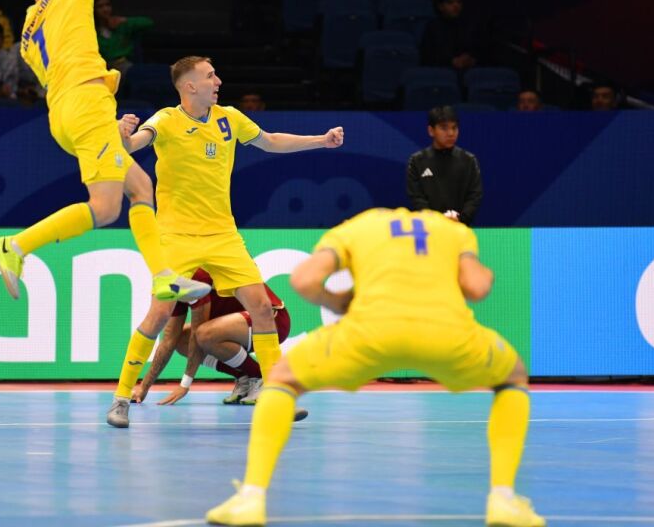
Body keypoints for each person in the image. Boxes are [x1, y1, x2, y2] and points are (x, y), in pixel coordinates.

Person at [206, 207, 545, 527]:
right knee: (513, 375)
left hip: (367, 335)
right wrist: (480, 270)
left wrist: (336, 302)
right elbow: (477, 287)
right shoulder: (451, 231)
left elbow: (304, 280)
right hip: (446, 335)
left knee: (282, 378)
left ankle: (251, 497)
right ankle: (503, 498)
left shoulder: (356, 227)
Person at [105, 55, 344, 428]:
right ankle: (121, 399)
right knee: (159, 314)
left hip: (223, 235)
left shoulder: (229, 118)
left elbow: (270, 141)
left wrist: (321, 141)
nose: (218, 81)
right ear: (190, 86)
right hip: (176, 237)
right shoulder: (166, 120)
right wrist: (121, 133)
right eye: (210, 75)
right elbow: (134, 144)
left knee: (261, 307)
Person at [0, 0, 216, 311]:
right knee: (106, 208)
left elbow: (62, 78)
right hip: (86, 106)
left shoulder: (28, 32)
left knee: (141, 188)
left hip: (64, 114)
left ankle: (163, 276)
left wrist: (104, 124)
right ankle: (15, 245)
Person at [132, 268, 291, 407]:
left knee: (204, 334)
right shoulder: (174, 285)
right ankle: (243, 376)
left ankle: (260, 376)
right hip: (239, 325)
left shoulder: (197, 276)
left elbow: (198, 334)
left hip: (272, 320)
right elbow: (169, 340)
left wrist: (185, 385)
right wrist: (143, 387)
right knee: (181, 340)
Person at [406, 105, 483, 225]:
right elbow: (417, 198)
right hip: (429, 229)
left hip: (460, 227)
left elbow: (474, 196)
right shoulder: (417, 161)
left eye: (454, 128)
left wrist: (460, 218)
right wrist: (435, 220)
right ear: (431, 131)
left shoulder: (469, 160)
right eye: (444, 128)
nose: (451, 133)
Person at [94, 0, 153, 81]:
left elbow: (148, 23)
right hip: (105, 68)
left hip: (127, 65)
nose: (105, 9)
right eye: (100, 7)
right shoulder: (91, 30)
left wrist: (125, 20)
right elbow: (108, 54)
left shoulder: (120, 24)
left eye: (107, 5)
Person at [419, 0, 483, 71]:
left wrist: (469, 59)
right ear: (440, 6)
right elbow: (428, 56)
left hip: (467, 70)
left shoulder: (468, 26)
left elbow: (475, 50)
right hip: (440, 71)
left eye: (459, 2)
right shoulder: (432, 27)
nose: (456, 5)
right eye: (450, 2)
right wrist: (451, 61)